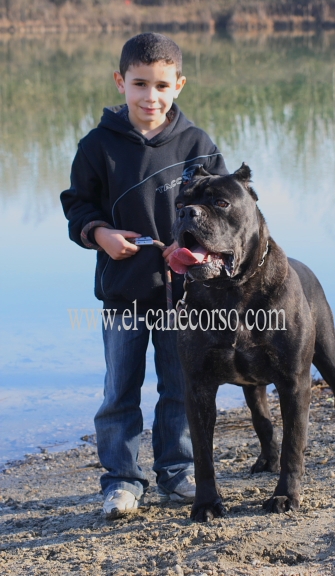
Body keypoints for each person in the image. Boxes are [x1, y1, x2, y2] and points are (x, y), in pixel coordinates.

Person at [60, 32, 228, 519]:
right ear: (121, 82)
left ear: (179, 85)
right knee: (120, 391)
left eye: (161, 85)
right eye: (139, 84)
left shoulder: (197, 145)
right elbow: (77, 206)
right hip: (123, 293)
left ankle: (176, 474)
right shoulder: (97, 146)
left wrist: (195, 247)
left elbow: (223, 211)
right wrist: (101, 234)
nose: (150, 96)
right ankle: (121, 481)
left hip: (188, 296)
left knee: (180, 386)